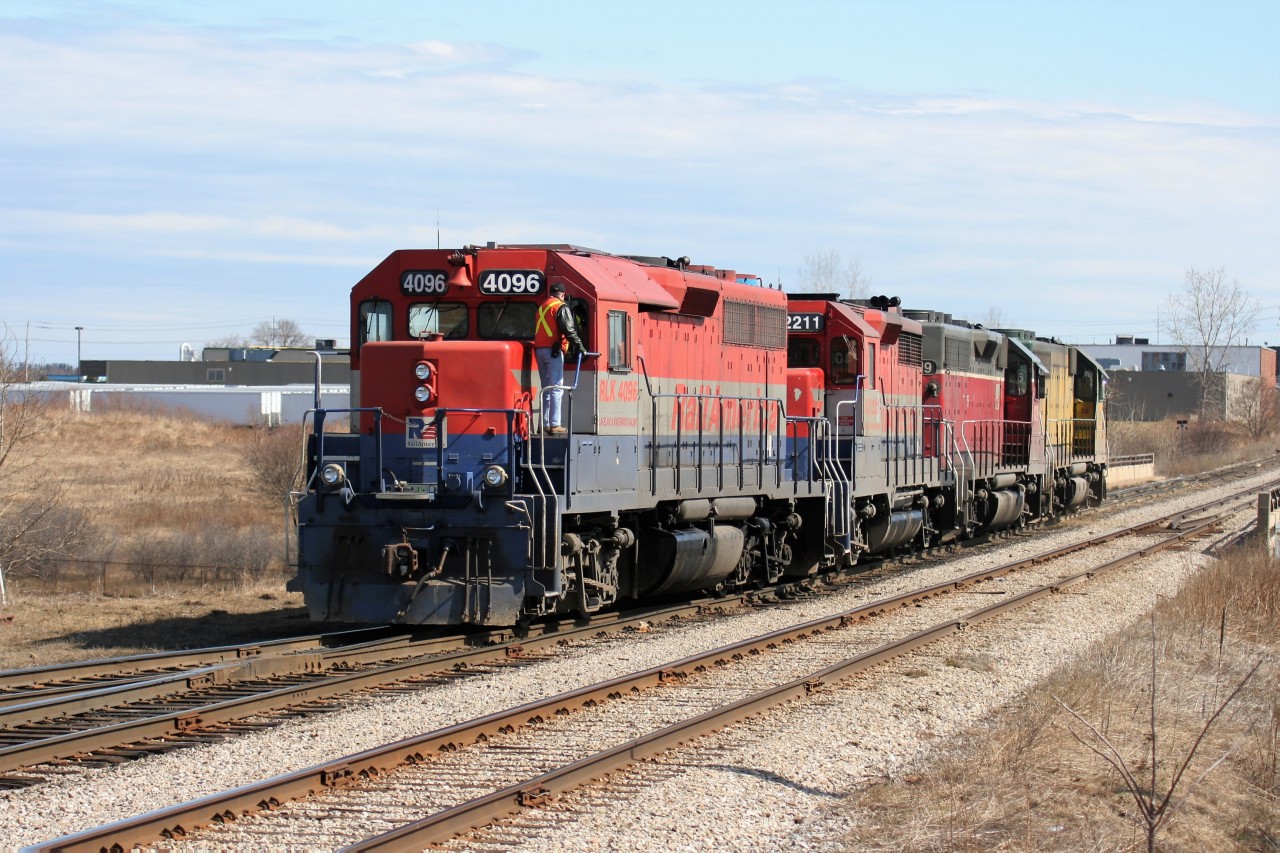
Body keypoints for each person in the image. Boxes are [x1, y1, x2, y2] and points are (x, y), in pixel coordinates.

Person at [534, 281, 586, 435]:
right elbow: (568, 329)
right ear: (562, 295)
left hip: (540, 351)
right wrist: (580, 346)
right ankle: (555, 424)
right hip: (553, 351)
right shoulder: (561, 307)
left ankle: (544, 424)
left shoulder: (542, 307)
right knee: (556, 387)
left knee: (546, 389)